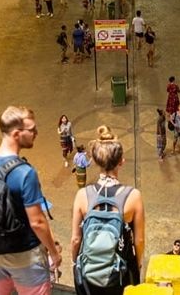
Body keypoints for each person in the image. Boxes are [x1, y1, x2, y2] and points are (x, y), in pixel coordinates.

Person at [0, 106, 61, 295]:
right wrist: (53, 252)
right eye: (32, 130)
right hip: (25, 256)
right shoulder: (25, 173)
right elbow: (37, 222)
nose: (36, 133)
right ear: (16, 134)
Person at [70, 126, 145, 295]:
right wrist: (137, 265)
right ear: (121, 162)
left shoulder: (82, 195)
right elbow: (139, 241)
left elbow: (75, 239)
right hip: (120, 273)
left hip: (89, 273)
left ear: (95, 161)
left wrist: (76, 263)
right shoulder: (133, 196)